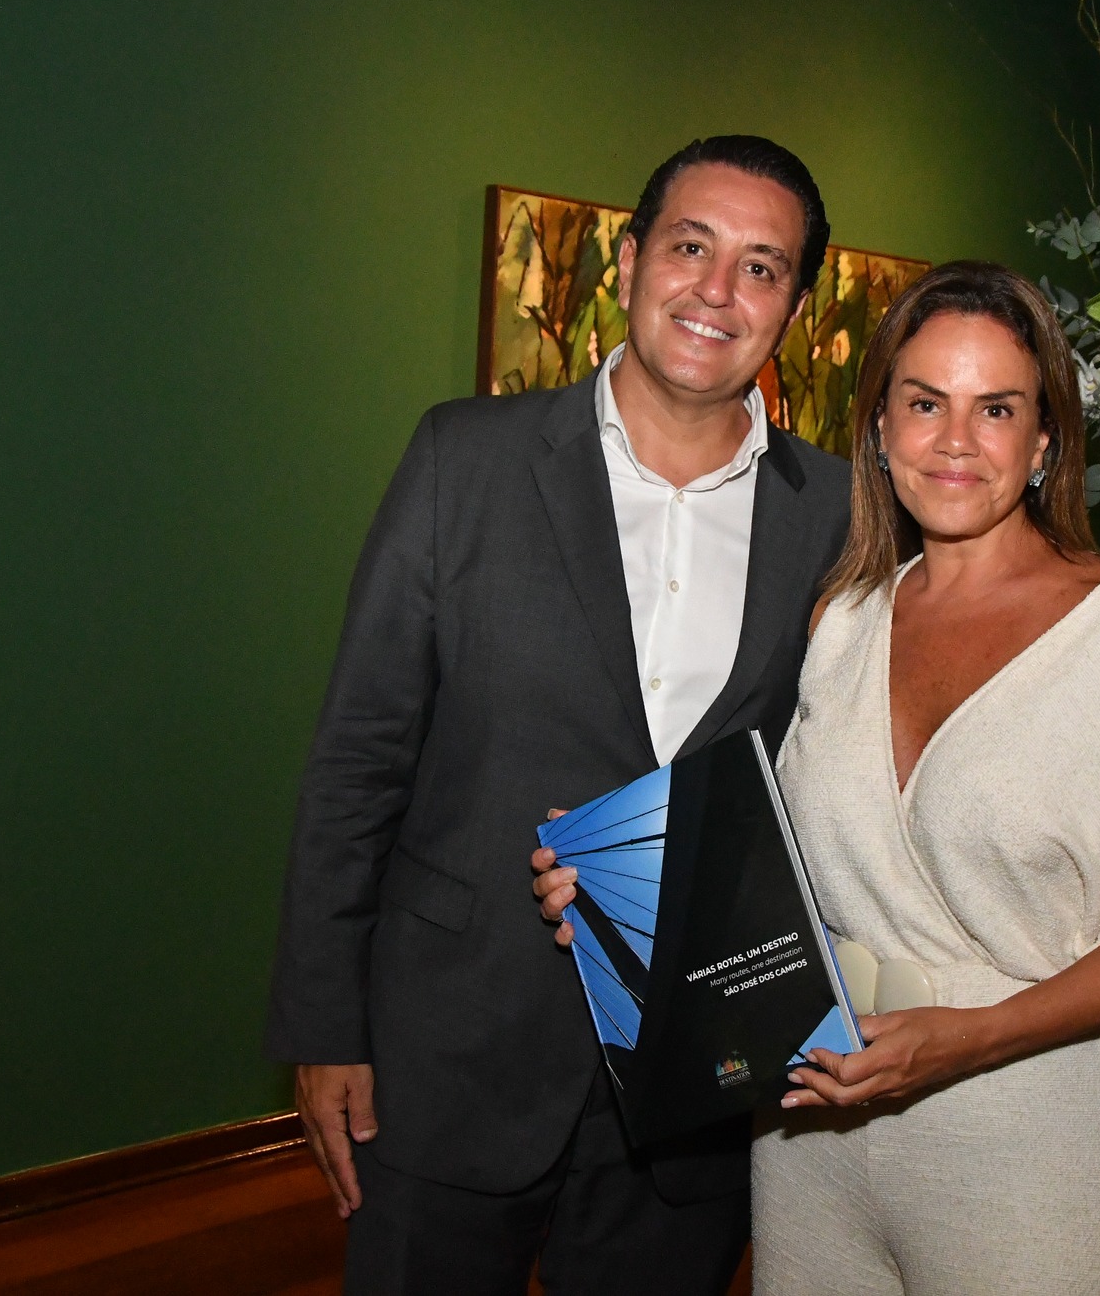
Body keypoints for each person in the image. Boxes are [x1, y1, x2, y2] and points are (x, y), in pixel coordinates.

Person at [265, 135, 851, 1295]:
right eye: (689, 247)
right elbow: (358, 761)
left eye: (760, 268)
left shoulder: (836, 514)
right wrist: (325, 1026)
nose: (715, 291)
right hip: (454, 1040)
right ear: (627, 264)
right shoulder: (463, 460)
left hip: (696, 1077)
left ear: (789, 309)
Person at [705, 261, 1100, 1292]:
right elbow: (774, 871)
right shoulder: (843, 623)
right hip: (808, 1139)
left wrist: (968, 1040)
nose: (956, 441)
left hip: (1025, 1138)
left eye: (997, 408)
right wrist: (616, 876)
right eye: (925, 403)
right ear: (880, 429)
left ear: (1045, 439)